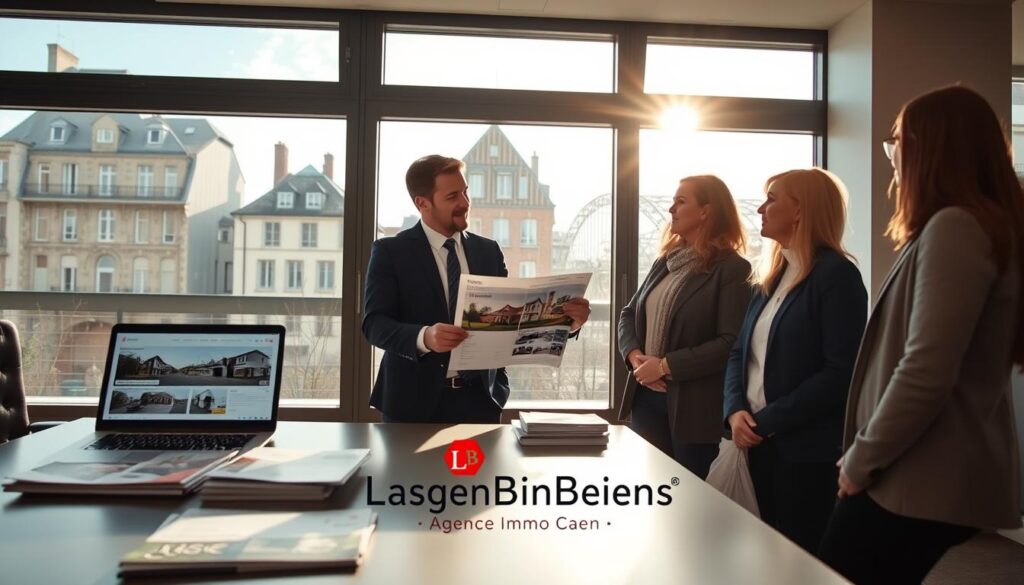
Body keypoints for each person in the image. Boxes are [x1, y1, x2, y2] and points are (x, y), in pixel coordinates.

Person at [819, 86, 1024, 584]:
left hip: (914, 474)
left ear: (930, 147)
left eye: (895, 142)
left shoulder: (955, 227)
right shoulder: (971, 224)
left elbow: (926, 369)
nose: (892, 157)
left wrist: (862, 459)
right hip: (921, 470)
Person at [362, 155, 592, 423]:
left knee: (478, 468)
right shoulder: (391, 252)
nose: (465, 203)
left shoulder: (488, 252)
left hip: (479, 402)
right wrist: (425, 337)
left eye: (465, 192)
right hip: (411, 404)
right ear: (422, 203)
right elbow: (374, 324)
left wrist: (567, 324)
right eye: (452, 197)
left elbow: (513, 325)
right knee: (411, 468)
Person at [723, 168, 867, 554]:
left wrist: (765, 422)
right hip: (756, 443)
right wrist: (735, 411)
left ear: (801, 210)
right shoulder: (773, 275)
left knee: (797, 559)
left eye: (772, 198)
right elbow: (740, 353)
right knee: (759, 557)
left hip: (804, 452)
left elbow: (841, 371)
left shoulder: (837, 276)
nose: (760, 209)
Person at [617, 175, 752, 479]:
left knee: (686, 502)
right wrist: (634, 355)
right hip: (645, 398)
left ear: (706, 211)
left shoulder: (732, 269)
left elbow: (729, 341)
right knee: (649, 496)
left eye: (680, 201)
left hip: (693, 409)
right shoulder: (665, 262)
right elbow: (629, 313)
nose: (670, 209)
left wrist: (664, 366)